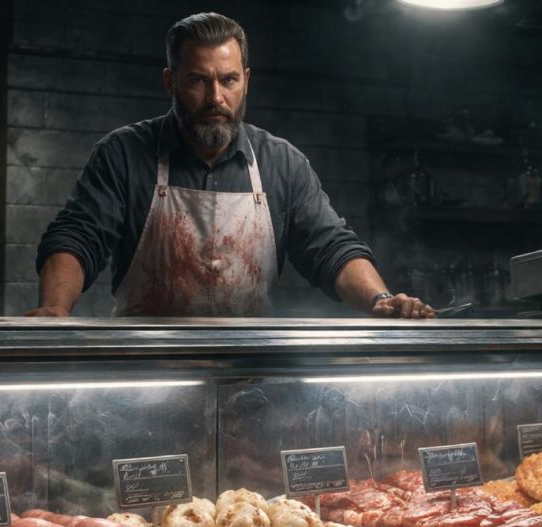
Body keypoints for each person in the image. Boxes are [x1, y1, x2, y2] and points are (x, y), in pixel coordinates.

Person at [28, 12, 435, 319]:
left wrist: (381, 301)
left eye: (228, 80)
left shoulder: (282, 163)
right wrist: (54, 310)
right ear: (171, 83)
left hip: (250, 374)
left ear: (246, 80)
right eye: (198, 81)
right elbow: (78, 238)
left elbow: (331, 248)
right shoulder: (122, 154)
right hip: (146, 372)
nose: (215, 98)